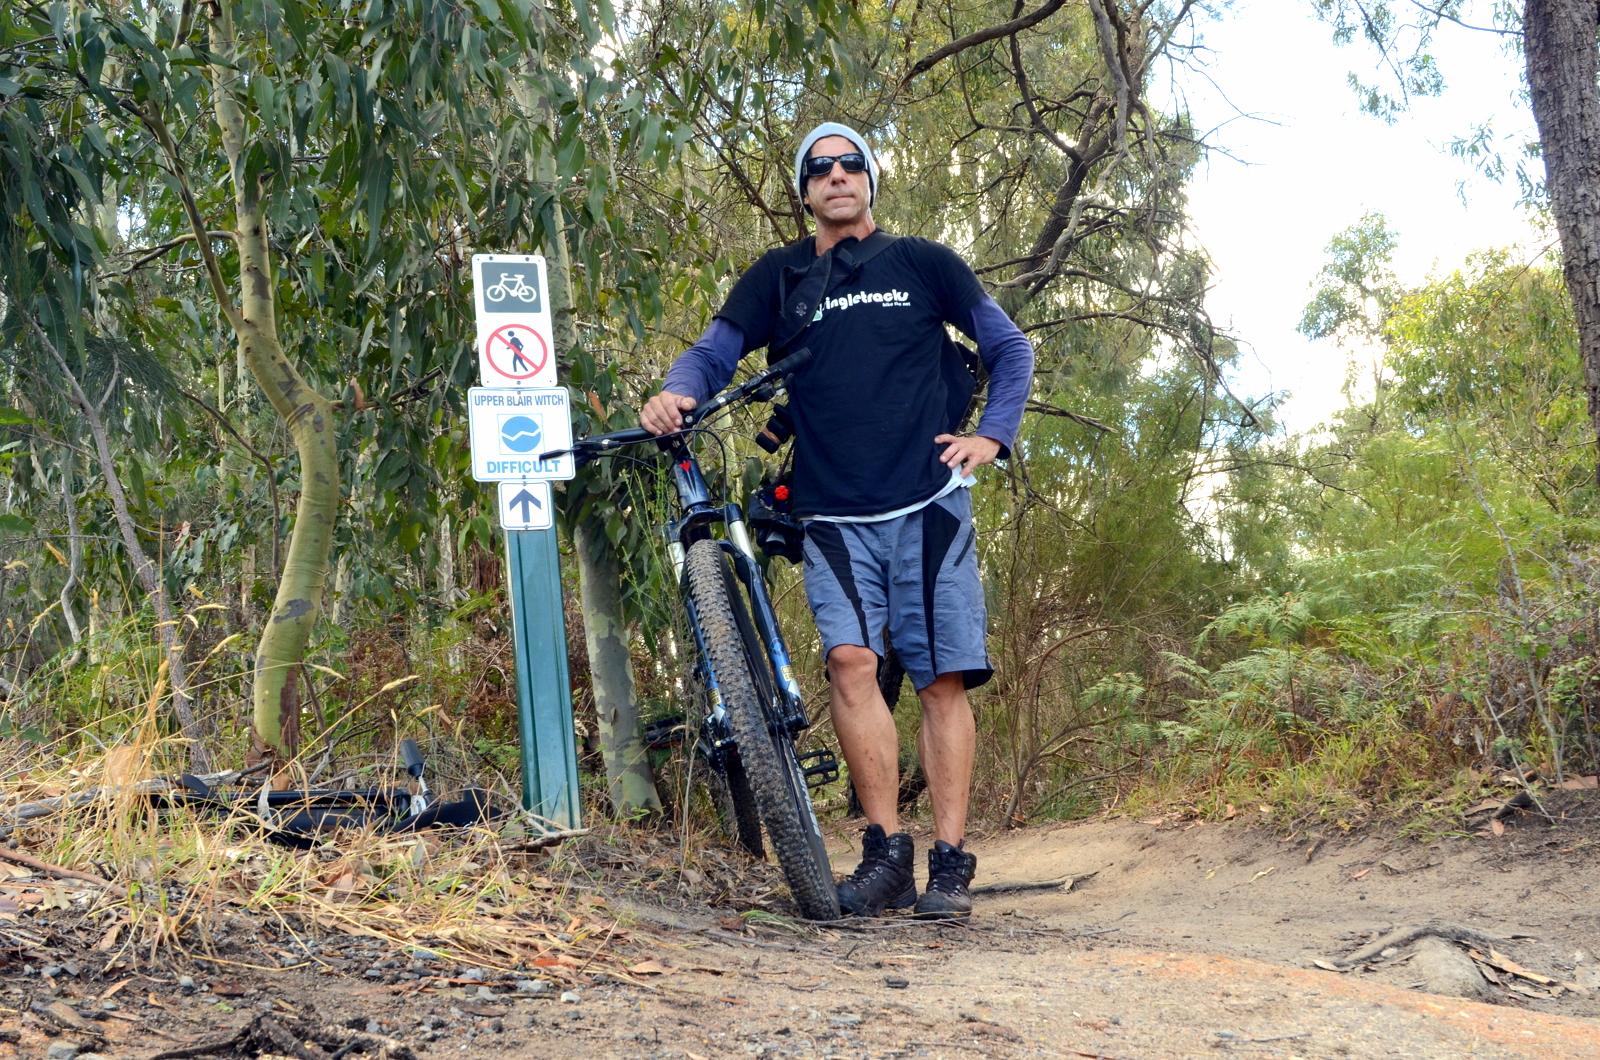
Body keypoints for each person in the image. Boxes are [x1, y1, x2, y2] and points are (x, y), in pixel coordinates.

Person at [641, 121, 1035, 918]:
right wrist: (677, 390)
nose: (836, 175)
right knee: (852, 666)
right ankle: (886, 853)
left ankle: (950, 863)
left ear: (870, 179)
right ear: (805, 189)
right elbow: (715, 351)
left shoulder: (923, 263)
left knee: (941, 679)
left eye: (849, 163)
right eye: (819, 168)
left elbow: (1008, 346)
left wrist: (994, 434)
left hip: (929, 503)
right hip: (830, 512)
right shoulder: (778, 276)